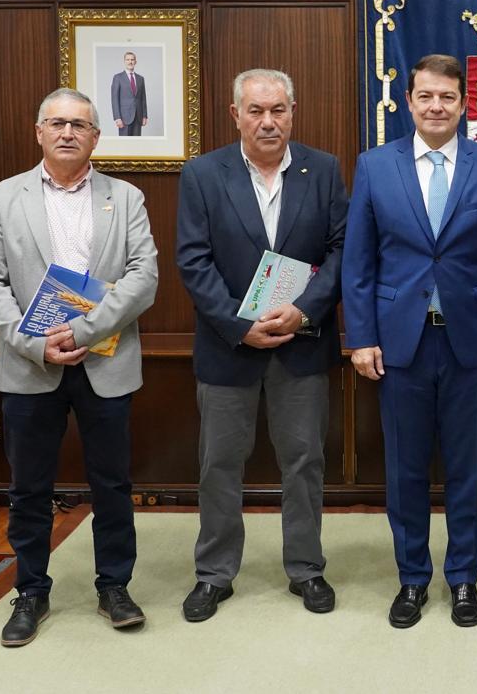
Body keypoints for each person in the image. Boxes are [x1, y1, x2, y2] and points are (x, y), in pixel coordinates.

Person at [343, 54, 477, 629]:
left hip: (471, 344)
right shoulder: (375, 166)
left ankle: (465, 577)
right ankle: (413, 579)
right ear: (409, 101)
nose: (436, 106)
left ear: (464, 104)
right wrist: (361, 337)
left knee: (470, 468)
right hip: (400, 345)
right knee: (406, 469)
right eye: (426, 96)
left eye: (447, 97)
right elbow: (359, 263)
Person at [0, 88, 159, 646]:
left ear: (96, 137)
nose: (67, 132)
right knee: (29, 487)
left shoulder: (125, 197)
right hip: (31, 365)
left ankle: (114, 587)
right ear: (38, 132)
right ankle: (30, 591)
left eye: (80, 124)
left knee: (112, 483)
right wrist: (36, 342)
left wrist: (82, 331)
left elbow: (142, 277)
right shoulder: (4, 198)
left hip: (107, 359)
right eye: (56, 123)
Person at [175, 69, 347, 622]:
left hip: (301, 343)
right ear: (236, 114)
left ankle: (306, 568)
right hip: (229, 347)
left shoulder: (322, 170)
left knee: (305, 461)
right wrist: (237, 323)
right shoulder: (203, 174)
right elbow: (193, 259)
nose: (268, 121)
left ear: (293, 112)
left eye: (278, 110)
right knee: (219, 464)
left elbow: (343, 250)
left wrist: (303, 310)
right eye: (256, 111)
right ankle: (214, 574)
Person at [111, 52, 148, 137]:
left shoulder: (140, 79)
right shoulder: (118, 78)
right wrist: (117, 117)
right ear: (124, 61)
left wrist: (144, 116)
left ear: (135, 62)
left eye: (132, 59)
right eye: (128, 59)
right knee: (124, 145)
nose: (130, 62)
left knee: (137, 145)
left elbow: (143, 98)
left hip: (138, 117)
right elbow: (114, 99)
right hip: (124, 118)